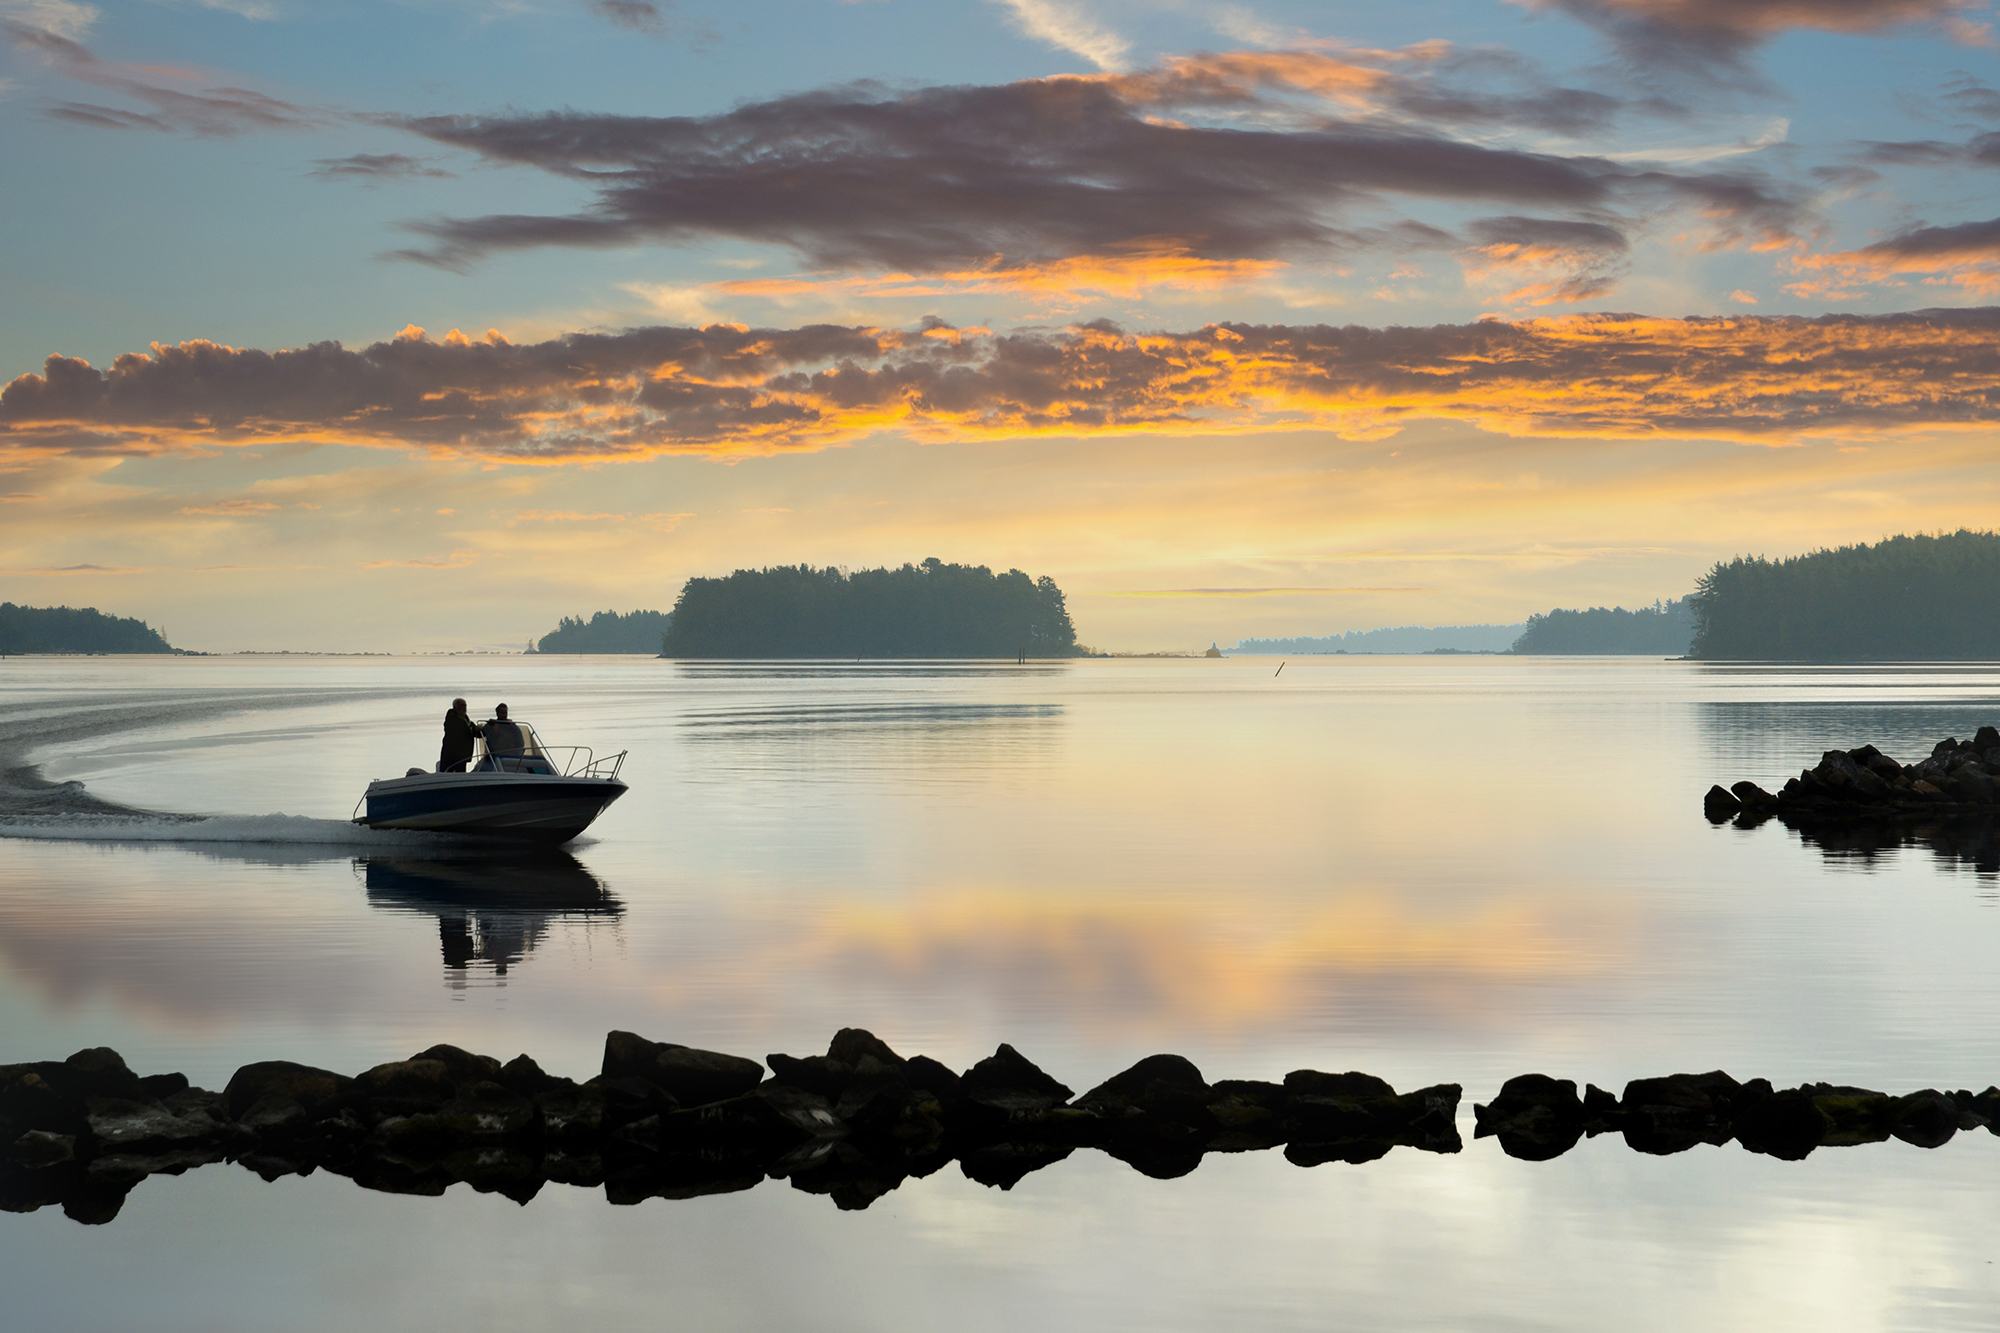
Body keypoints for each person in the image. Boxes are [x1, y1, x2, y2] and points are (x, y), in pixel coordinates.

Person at [438, 698, 479, 773]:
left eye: (465, 705)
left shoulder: (466, 720)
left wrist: (487, 727)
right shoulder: (451, 718)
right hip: (451, 755)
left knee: (461, 773)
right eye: (461, 705)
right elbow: (457, 730)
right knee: (446, 773)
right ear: (455, 707)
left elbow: (473, 731)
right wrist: (475, 729)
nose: (464, 707)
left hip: (462, 756)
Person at [482, 702, 526, 768]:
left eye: (505, 713)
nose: (504, 715)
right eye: (502, 713)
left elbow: (520, 743)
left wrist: (516, 755)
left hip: (511, 757)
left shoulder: (513, 727)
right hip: (493, 758)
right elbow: (481, 733)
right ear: (497, 713)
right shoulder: (491, 726)